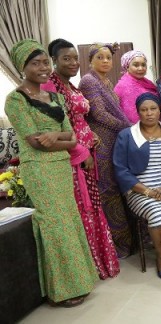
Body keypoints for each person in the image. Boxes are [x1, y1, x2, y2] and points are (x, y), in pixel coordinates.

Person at [6, 39, 97, 307]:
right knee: (54, 226)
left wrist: (55, 134)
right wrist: (59, 138)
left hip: (60, 167)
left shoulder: (55, 97)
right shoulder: (15, 100)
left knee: (69, 221)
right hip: (39, 171)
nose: (43, 68)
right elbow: (34, 141)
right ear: (23, 67)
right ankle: (63, 290)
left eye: (45, 62)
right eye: (35, 63)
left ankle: (81, 281)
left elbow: (71, 138)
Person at [42, 38, 120, 279]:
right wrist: (82, 151)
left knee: (92, 207)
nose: (73, 62)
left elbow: (80, 120)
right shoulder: (50, 87)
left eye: (75, 57)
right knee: (83, 209)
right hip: (73, 158)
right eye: (66, 58)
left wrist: (91, 134)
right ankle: (87, 266)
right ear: (53, 61)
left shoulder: (72, 85)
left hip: (88, 151)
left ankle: (97, 262)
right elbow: (57, 126)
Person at [113, 93, 161, 280]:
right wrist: (147, 191)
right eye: (144, 110)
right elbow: (120, 170)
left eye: (153, 109)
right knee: (156, 213)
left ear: (159, 111)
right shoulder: (127, 135)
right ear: (138, 112)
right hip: (140, 189)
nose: (149, 113)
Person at [79, 42, 133, 258]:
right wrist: (128, 128)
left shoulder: (107, 82)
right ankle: (114, 245)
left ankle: (127, 241)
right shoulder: (88, 80)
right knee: (107, 192)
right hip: (101, 143)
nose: (105, 61)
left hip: (115, 141)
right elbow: (99, 114)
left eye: (108, 58)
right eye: (99, 57)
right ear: (90, 60)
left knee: (118, 189)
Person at [114, 50, 159, 124]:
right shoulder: (123, 86)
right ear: (127, 66)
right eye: (136, 65)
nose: (141, 68)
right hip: (136, 129)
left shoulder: (148, 83)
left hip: (154, 125)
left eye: (143, 65)